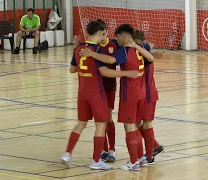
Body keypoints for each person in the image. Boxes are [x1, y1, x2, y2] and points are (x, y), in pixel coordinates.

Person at [61, 20, 138, 170]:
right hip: (97, 92)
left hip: (82, 92)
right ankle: (96, 160)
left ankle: (67, 154)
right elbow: (104, 71)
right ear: (99, 33)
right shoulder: (97, 51)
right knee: (101, 124)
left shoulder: (78, 49)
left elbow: (72, 69)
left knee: (81, 123)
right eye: (103, 34)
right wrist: (126, 73)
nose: (105, 37)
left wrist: (86, 69)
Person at [80, 24, 154, 171]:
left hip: (130, 95)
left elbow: (110, 61)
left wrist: (92, 54)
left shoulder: (125, 51)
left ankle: (133, 162)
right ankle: (141, 158)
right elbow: (151, 54)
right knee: (136, 126)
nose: (117, 39)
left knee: (129, 127)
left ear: (124, 36)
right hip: (141, 94)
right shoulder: (140, 49)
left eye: (118, 36)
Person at [133, 30, 165, 166]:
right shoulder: (143, 51)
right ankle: (155, 146)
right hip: (145, 92)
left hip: (147, 93)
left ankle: (150, 156)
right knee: (136, 123)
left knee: (144, 123)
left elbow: (147, 46)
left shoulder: (143, 53)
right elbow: (148, 45)